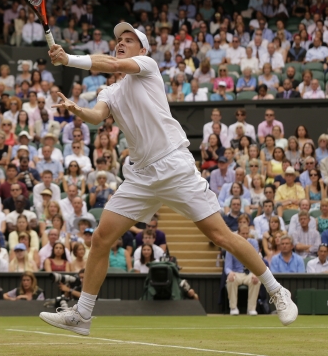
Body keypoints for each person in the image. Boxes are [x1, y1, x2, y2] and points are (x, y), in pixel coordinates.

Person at [40, 22, 296, 336]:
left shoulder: (147, 66)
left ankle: (276, 290)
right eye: (118, 39)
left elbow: (115, 64)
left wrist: (69, 60)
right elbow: (96, 116)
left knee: (220, 235)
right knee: (101, 237)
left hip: (174, 166)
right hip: (141, 175)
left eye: (128, 39)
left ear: (141, 49)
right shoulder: (109, 91)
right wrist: (75, 108)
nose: (121, 43)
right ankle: (82, 315)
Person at [225, 225, 262, 316]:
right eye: (243, 234)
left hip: (249, 272)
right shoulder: (231, 245)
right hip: (236, 273)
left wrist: (255, 273)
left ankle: (251, 309)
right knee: (231, 279)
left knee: (256, 281)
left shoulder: (253, 243)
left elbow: (256, 260)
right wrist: (230, 273)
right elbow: (227, 266)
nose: (245, 236)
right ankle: (233, 308)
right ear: (238, 233)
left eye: (246, 234)